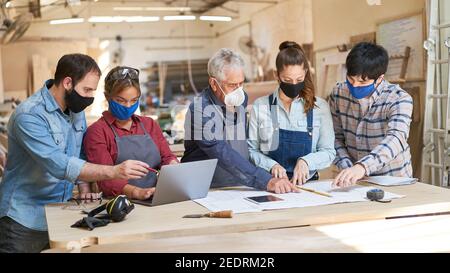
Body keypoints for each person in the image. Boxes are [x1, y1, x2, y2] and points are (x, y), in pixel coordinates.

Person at [0, 54, 150, 253]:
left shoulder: (75, 110)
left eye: (93, 91)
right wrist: (115, 171)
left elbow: (77, 152)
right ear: (68, 82)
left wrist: (83, 185)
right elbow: (59, 164)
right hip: (23, 220)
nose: (89, 97)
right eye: (87, 90)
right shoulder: (29, 116)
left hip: (59, 213)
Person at [181, 48, 297, 194]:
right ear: (213, 83)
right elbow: (221, 150)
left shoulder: (240, 99)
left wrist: (269, 165)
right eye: (231, 85)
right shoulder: (200, 109)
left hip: (239, 184)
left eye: (241, 83)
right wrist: (264, 180)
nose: (238, 90)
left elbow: (245, 143)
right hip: (207, 188)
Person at [83, 66, 179, 200]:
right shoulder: (97, 132)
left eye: (134, 100)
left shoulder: (149, 124)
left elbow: (166, 157)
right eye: (121, 100)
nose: (128, 106)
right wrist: (136, 192)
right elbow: (105, 179)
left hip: (156, 196)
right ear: (107, 96)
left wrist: (172, 164)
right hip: (121, 201)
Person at [248, 41, 336, 185]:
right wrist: (271, 165)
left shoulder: (319, 107)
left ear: (305, 74)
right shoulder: (261, 106)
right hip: (271, 184)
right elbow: (251, 150)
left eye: (299, 79)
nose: (294, 84)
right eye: (287, 80)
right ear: (277, 75)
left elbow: (328, 152)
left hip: (307, 185)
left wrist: (306, 162)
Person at [329, 42, 413, 188]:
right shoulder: (338, 94)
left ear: (380, 78)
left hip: (393, 179)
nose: (354, 85)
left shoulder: (399, 98)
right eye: (351, 78)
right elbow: (335, 137)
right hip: (356, 181)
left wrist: (362, 167)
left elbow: (396, 138)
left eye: (363, 81)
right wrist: (347, 166)